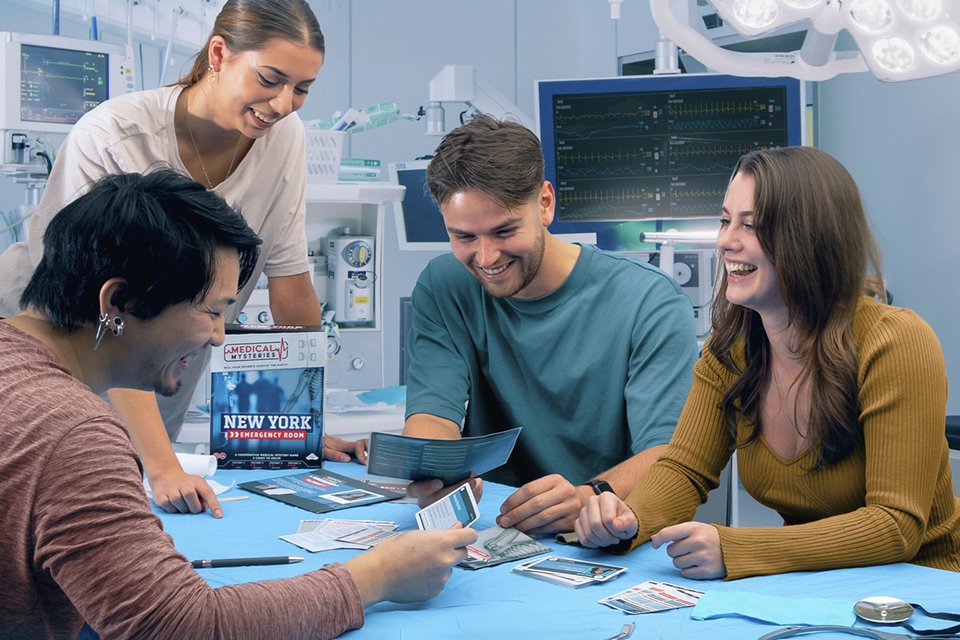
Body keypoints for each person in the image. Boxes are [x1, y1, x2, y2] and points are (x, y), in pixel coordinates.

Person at [0, 170, 476, 639]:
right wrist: (374, 578)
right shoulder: (73, 433)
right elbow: (177, 626)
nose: (218, 337)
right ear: (118, 302)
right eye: (210, 312)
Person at [0, 0, 366, 519]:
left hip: (155, 358)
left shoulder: (282, 139)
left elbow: (291, 282)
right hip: (65, 353)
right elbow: (103, 316)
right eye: (270, 79)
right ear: (219, 53)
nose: (284, 103)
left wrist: (298, 420)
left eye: (302, 89)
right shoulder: (113, 136)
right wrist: (161, 464)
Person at [574, 146, 960, 580]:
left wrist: (736, 548)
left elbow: (896, 526)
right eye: (725, 220)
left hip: (924, 590)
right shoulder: (731, 350)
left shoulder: (896, 342)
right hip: (811, 587)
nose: (725, 241)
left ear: (812, 238)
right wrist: (627, 522)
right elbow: (685, 469)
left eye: (751, 225)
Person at [403, 115, 699, 535]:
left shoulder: (649, 301)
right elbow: (433, 412)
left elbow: (669, 454)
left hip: (605, 531)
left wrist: (588, 496)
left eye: (504, 231)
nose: (486, 258)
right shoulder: (444, 285)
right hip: (495, 528)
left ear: (545, 203)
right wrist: (435, 470)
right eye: (464, 237)